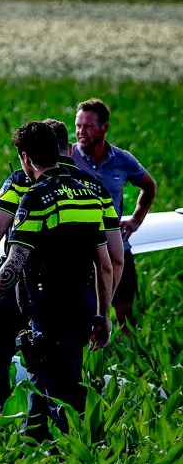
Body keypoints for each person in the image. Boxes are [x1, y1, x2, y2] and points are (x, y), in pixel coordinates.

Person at [0, 119, 122, 415]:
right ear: (68, 149)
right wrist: (102, 312)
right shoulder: (93, 190)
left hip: (34, 291)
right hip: (79, 295)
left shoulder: (25, 186)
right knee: (59, 373)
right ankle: (52, 434)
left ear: (26, 157)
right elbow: (112, 260)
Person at [72, 98, 158, 329]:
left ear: (104, 127)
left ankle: (127, 349)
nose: (81, 132)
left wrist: (135, 220)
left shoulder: (122, 159)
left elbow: (149, 187)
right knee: (82, 313)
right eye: (78, 126)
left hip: (116, 246)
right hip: (79, 251)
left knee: (125, 312)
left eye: (88, 126)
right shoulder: (67, 159)